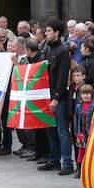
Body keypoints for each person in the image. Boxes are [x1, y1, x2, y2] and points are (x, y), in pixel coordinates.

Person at [37, 20, 74, 176]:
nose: (46, 33)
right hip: (47, 96)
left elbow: (62, 77)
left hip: (58, 98)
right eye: (46, 31)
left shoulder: (62, 51)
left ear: (57, 32)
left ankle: (67, 163)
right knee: (50, 130)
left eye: (49, 30)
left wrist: (56, 98)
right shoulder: (46, 49)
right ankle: (53, 160)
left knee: (62, 131)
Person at [72, 84, 94, 179]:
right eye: (83, 94)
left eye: (87, 94)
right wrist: (76, 133)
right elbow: (76, 120)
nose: (85, 96)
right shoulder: (78, 106)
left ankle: (90, 170)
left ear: (92, 95)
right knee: (81, 151)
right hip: (81, 134)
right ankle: (79, 170)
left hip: (91, 134)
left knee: (91, 152)